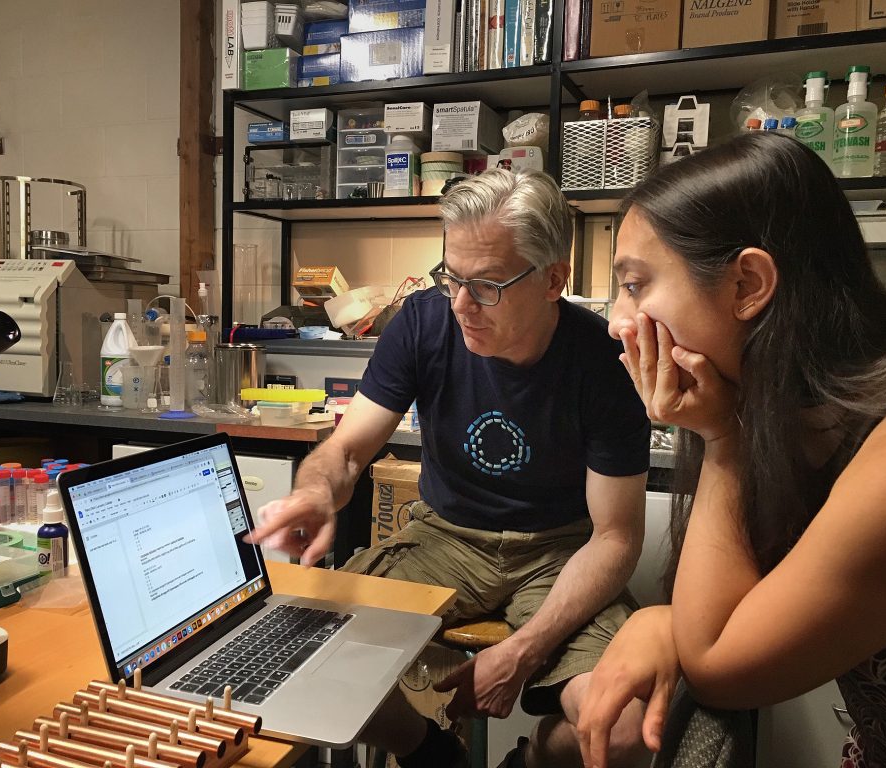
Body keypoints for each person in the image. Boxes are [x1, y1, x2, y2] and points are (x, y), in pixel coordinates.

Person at [249, 168, 651, 767]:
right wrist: (315, 492)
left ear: (552, 280)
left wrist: (522, 651)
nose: (461, 305)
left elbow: (617, 537)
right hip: (446, 538)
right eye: (451, 278)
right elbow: (348, 450)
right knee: (297, 650)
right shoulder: (423, 321)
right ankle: (426, 750)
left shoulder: (604, 362)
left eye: (486, 285)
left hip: (560, 552)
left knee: (622, 731)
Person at [575, 132, 886, 768]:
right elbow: (724, 609)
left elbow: (721, 668)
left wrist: (722, 438)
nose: (619, 320)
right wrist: (666, 621)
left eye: (636, 285)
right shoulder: (788, 412)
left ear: (748, 284)